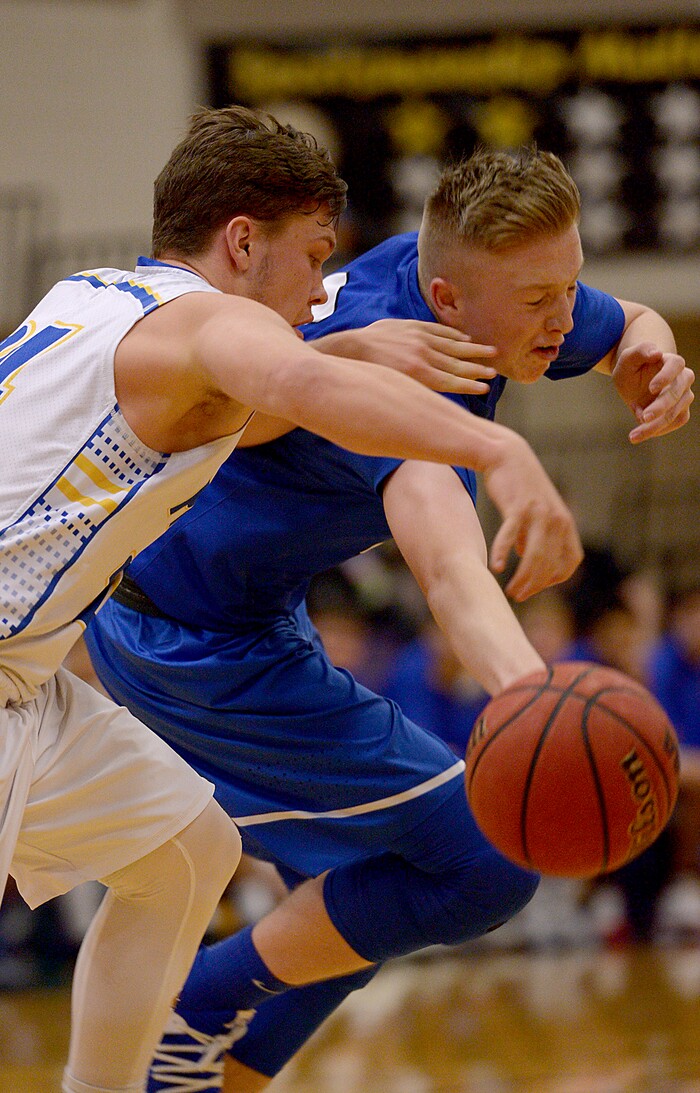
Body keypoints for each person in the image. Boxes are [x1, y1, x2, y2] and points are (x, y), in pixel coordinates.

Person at [0, 110, 589, 1093]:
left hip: (28, 678)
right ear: (240, 241)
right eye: (313, 256)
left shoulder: (94, 295)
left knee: (185, 851)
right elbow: (291, 381)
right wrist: (496, 446)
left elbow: (270, 394)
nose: (323, 289)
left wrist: (346, 356)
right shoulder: (212, 319)